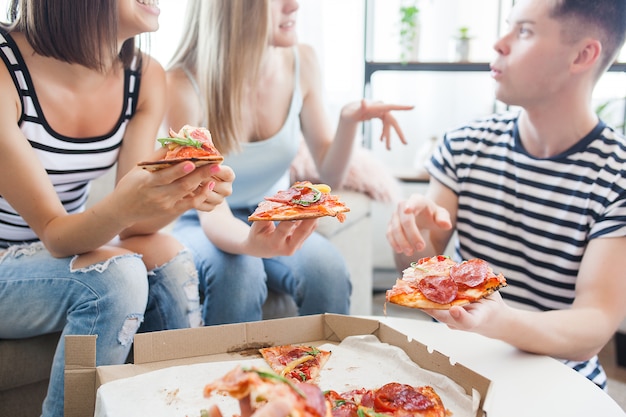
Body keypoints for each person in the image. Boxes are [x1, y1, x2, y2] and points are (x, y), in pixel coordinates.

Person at [0, 1, 234, 416]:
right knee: (115, 278)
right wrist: (126, 204)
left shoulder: (143, 76)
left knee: (170, 256)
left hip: (64, 248)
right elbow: (55, 232)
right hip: (14, 260)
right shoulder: (4, 66)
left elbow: (137, 224)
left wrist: (185, 194)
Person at [387, 0, 626, 389]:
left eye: (525, 31)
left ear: (583, 55)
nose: (498, 44)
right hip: (457, 367)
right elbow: (413, 265)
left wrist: (499, 320)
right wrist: (411, 234)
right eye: (507, 27)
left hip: (561, 380)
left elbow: (594, 325)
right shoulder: (464, 145)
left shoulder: (618, 175)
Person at [164, 0, 413, 325]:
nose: (294, 5)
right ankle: (235, 377)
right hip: (200, 219)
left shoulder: (302, 61)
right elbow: (211, 211)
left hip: (273, 211)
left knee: (329, 271)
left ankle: (317, 374)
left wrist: (348, 122)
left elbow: (329, 173)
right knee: (240, 275)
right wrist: (249, 242)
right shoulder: (182, 85)